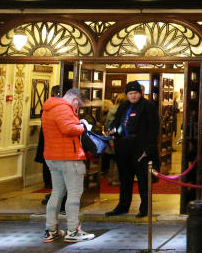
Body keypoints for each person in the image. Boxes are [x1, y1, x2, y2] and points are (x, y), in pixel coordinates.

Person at [40, 87, 95, 243]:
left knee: (57, 192)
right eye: (79, 105)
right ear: (74, 99)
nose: (77, 109)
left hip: (52, 156)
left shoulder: (49, 107)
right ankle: (73, 230)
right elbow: (68, 128)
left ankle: (51, 229)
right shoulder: (63, 108)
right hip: (69, 158)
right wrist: (83, 126)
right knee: (74, 193)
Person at [106, 80, 160, 217]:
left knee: (143, 180)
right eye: (130, 93)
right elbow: (116, 123)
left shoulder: (148, 106)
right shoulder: (123, 106)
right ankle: (123, 205)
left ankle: (145, 207)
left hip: (140, 147)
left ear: (140, 93)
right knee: (125, 179)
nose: (133, 96)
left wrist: (148, 149)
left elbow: (153, 129)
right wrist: (112, 130)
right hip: (124, 147)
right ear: (126, 94)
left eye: (135, 93)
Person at [34, 83, 61, 205]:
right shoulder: (55, 109)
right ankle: (54, 197)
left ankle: (53, 194)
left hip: (49, 144)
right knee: (54, 172)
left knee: (50, 169)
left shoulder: (46, 107)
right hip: (54, 146)